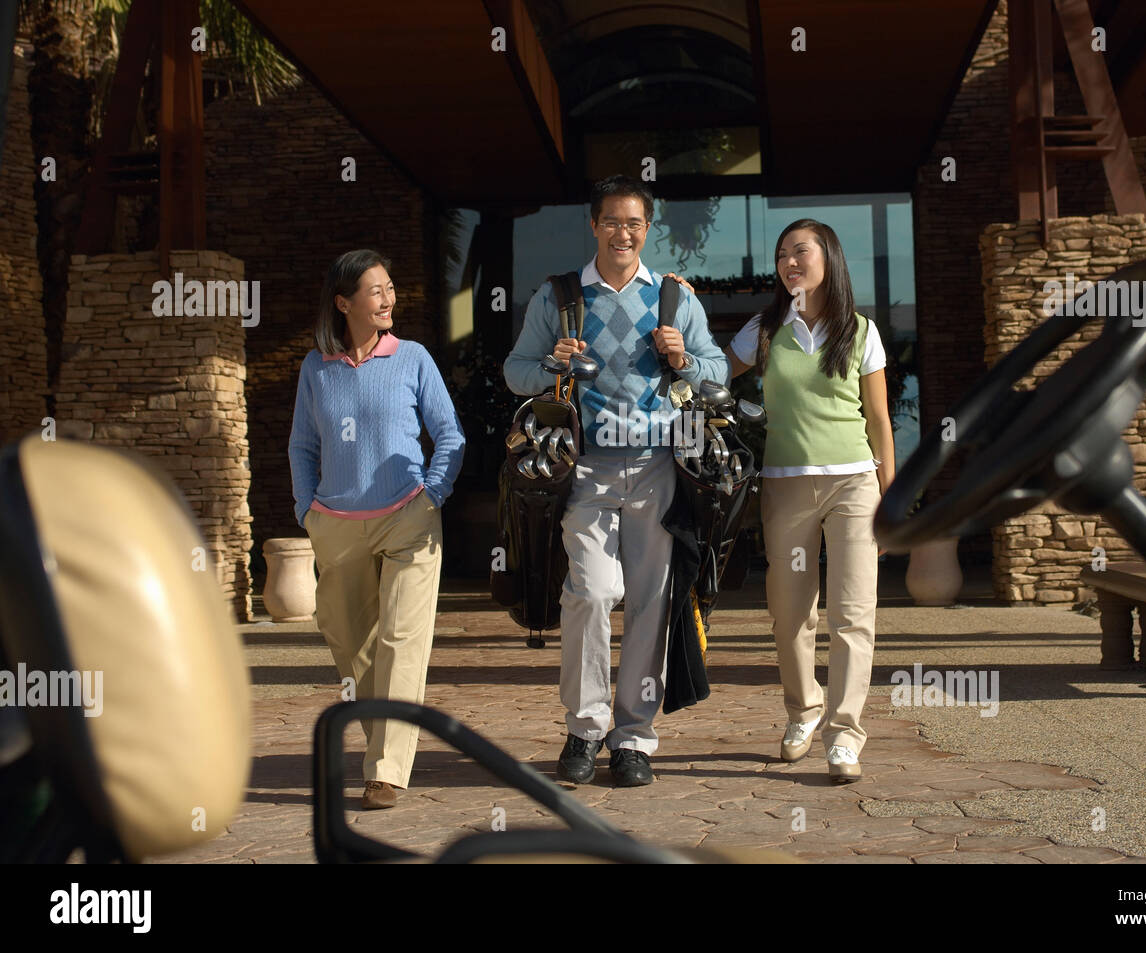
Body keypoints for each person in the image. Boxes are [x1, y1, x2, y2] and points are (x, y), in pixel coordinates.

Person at [504, 175, 728, 787]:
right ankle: (585, 727)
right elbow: (515, 371)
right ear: (595, 226)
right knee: (593, 593)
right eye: (611, 221)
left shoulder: (675, 299)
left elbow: (717, 373)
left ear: (646, 229)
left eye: (634, 223)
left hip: (659, 465)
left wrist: (685, 358)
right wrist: (553, 364)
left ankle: (634, 738)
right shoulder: (559, 298)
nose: (622, 232)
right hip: (588, 469)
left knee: (653, 602)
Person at [288, 249, 465, 809]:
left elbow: (450, 435)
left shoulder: (411, 357)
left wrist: (432, 494)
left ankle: (386, 769)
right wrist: (305, 510)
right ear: (344, 303)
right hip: (335, 526)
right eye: (375, 291)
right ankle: (382, 741)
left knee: (400, 642)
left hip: (408, 520)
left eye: (390, 288)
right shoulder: (317, 366)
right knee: (350, 643)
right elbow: (302, 445)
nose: (388, 299)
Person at [725, 219, 895, 783]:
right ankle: (804, 712)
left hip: (854, 485)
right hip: (786, 485)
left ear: (829, 256)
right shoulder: (765, 329)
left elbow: (878, 420)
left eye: (800, 251)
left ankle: (844, 736)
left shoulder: (861, 330)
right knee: (790, 613)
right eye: (781, 255)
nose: (789, 262)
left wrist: (890, 495)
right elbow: (710, 375)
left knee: (854, 615)